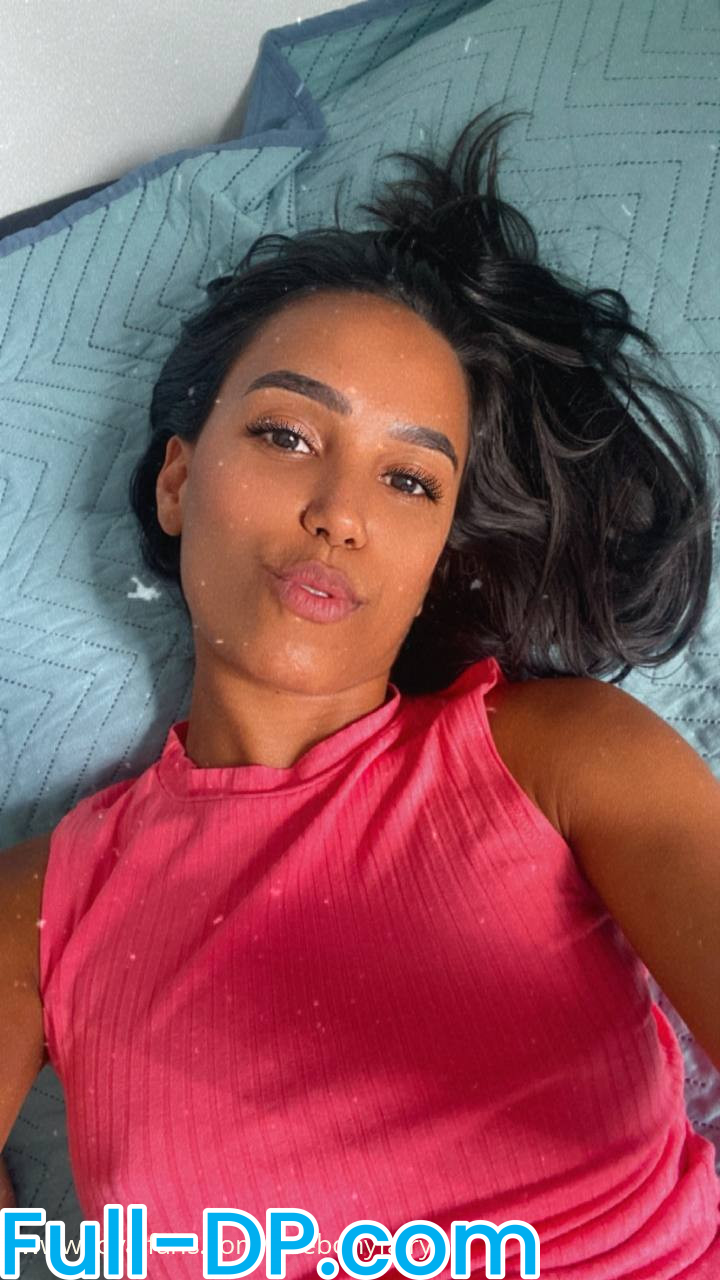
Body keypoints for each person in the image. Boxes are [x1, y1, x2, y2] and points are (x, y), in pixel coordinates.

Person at [2, 107, 719, 1277]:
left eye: (409, 480)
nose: (342, 511)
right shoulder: (45, 901)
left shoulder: (562, 756)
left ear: (436, 553)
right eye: (288, 435)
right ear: (177, 479)